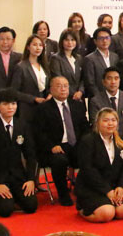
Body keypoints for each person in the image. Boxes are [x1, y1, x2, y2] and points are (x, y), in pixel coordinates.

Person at [0, 88, 38, 218]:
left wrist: (31, 179)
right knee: (5, 211)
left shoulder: (22, 125)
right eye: (5, 104)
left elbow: (30, 155)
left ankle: (14, 196)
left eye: (13, 103)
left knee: (31, 206)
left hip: (18, 177)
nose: (10, 107)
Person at [74, 108, 123, 223]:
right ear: (98, 122)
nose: (110, 123)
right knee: (107, 213)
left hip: (115, 186)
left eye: (113, 120)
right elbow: (88, 169)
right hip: (93, 188)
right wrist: (107, 191)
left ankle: (112, 206)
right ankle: (82, 210)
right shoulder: (88, 141)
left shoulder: (122, 140)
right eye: (106, 120)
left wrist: (121, 187)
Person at [36, 75, 90, 206]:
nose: (63, 89)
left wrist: (85, 143)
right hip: (56, 147)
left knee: (90, 155)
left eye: (65, 86)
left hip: (75, 144)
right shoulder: (43, 108)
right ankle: (63, 193)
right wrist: (51, 146)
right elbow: (38, 133)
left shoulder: (78, 106)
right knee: (59, 160)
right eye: (59, 86)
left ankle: (83, 188)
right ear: (51, 89)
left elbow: (85, 128)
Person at [88, 66, 123, 143]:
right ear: (103, 82)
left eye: (116, 78)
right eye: (109, 78)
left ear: (120, 80)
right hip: (105, 141)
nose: (113, 82)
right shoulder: (96, 101)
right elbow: (96, 124)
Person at [10, 34, 49, 125]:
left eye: (40, 45)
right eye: (34, 45)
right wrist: (34, 99)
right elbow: (14, 91)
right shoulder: (21, 66)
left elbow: (48, 85)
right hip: (27, 108)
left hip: (43, 107)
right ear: (28, 47)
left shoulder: (44, 65)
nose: (38, 48)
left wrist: (49, 94)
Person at [83, 27, 119, 100]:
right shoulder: (89, 58)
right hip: (97, 99)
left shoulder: (115, 56)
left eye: (107, 38)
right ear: (95, 41)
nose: (104, 41)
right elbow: (90, 83)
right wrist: (101, 98)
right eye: (101, 38)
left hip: (114, 97)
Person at [49, 29, 85, 101]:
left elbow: (83, 78)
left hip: (79, 98)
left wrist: (80, 91)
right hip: (64, 97)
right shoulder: (56, 58)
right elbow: (57, 78)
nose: (70, 43)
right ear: (62, 41)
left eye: (72, 40)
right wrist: (73, 93)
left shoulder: (79, 58)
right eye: (67, 40)